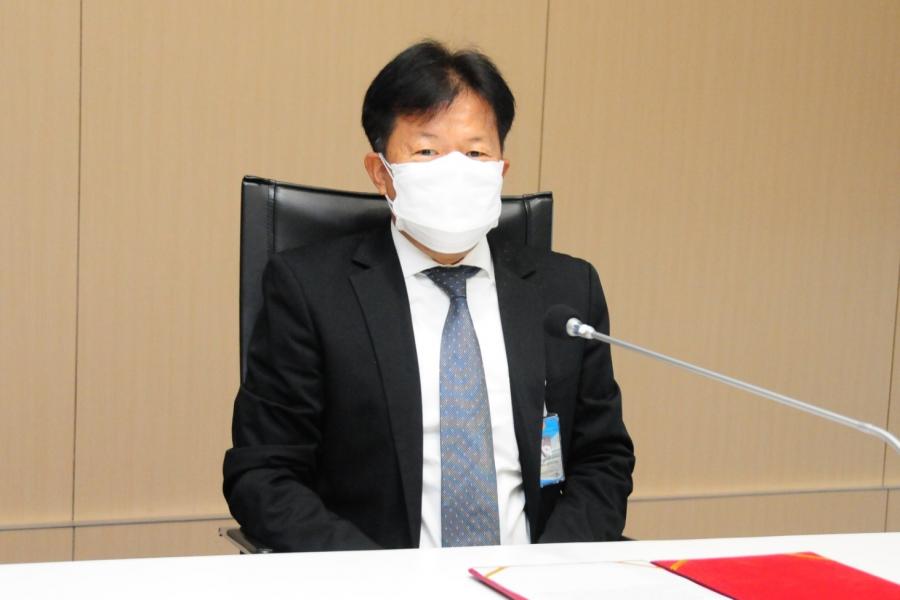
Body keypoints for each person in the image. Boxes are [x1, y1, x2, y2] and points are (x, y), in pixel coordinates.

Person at [223, 40, 634, 552]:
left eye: (476, 152)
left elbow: (603, 460)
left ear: (500, 171)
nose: (455, 169)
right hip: (377, 577)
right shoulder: (310, 292)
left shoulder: (567, 292)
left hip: (532, 577)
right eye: (427, 151)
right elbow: (264, 474)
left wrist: (549, 572)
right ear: (382, 173)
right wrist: (382, 580)